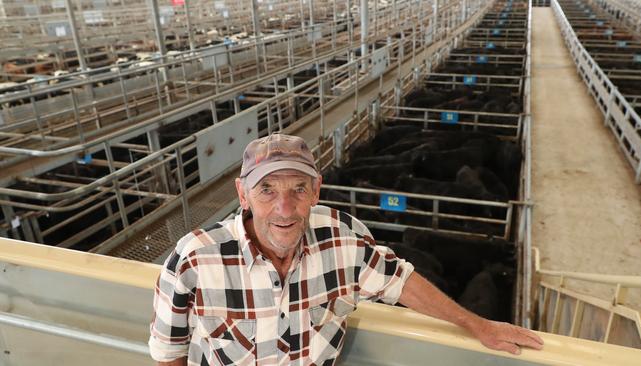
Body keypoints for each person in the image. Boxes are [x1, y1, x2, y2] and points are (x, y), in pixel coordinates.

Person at [149, 134, 543, 365]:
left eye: (298, 190)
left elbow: (401, 281)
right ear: (243, 194)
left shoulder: (343, 239)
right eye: (267, 190)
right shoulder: (193, 261)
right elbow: (170, 354)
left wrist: (480, 326)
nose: (284, 209)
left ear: (316, 190)